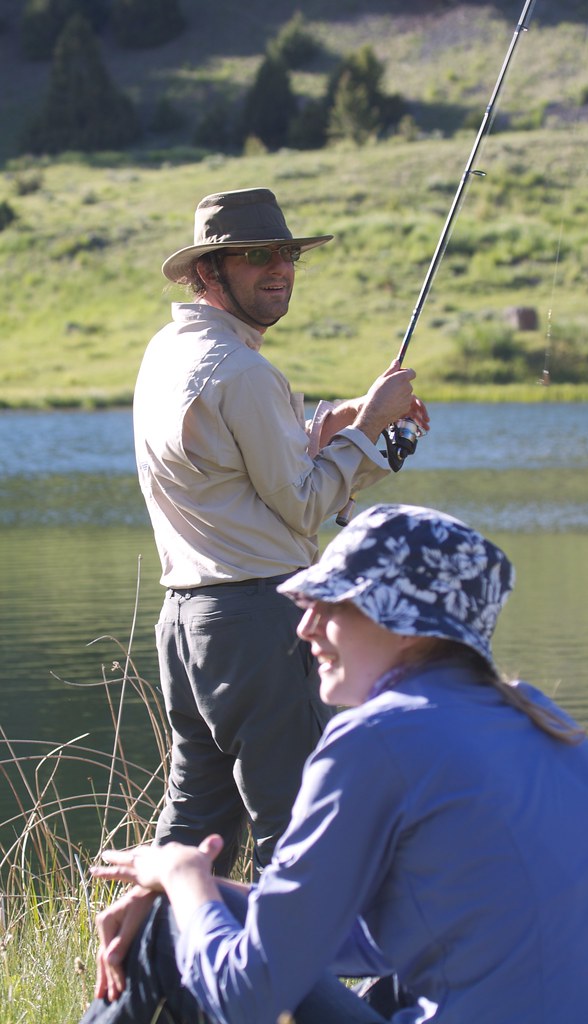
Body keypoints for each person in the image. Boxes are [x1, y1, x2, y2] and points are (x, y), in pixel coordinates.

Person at [83, 504, 588, 1024]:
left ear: (407, 625)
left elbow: (247, 998)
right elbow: (392, 937)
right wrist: (207, 891)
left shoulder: (377, 738)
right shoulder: (540, 720)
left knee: (169, 928)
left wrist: (182, 879)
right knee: (190, 911)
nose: (305, 626)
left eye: (332, 603)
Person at [134, 188, 429, 875]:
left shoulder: (168, 350)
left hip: (187, 623)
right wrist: (370, 426)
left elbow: (231, 473)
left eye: (288, 254)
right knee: (295, 825)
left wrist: (326, 432)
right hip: (257, 619)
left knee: (195, 823)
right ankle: (294, 950)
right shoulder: (243, 371)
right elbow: (302, 506)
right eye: (256, 255)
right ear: (207, 271)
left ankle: (147, 946)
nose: (279, 268)